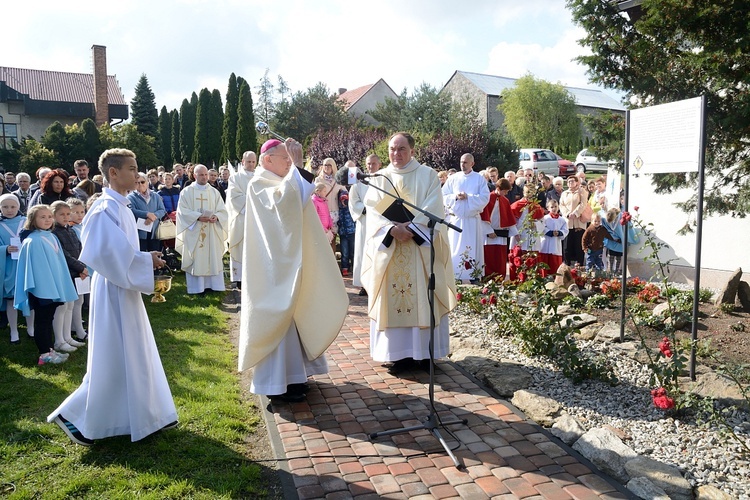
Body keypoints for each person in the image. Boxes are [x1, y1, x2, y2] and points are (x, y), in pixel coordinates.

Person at [48, 147, 177, 446]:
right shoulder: (105, 207)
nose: (136, 173)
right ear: (114, 173)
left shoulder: (120, 206)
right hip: (114, 289)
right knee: (114, 356)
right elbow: (105, 254)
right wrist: (144, 262)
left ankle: (142, 417)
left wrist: (147, 256)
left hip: (125, 287)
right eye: (131, 168)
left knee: (132, 354)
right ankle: (75, 415)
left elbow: (124, 250)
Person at [239, 138, 348, 403]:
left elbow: (297, 204)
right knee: (279, 317)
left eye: (290, 158)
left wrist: (295, 170)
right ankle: (277, 383)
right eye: (284, 158)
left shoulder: (280, 180)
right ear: (268, 160)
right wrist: (298, 166)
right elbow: (285, 207)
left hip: (291, 262)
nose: (288, 161)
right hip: (273, 270)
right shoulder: (259, 184)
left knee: (297, 313)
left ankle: (296, 377)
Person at [361, 132, 457, 375]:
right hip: (391, 250)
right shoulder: (380, 177)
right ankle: (398, 355)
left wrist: (412, 230)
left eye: (401, 149)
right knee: (392, 298)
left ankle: (425, 355)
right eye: (392, 149)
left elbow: (434, 206)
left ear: (412, 151)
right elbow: (372, 209)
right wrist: (391, 229)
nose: (396, 154)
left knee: (423, 296)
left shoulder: (427, 175)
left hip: (419, 250)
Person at [14, 205, 78, 365]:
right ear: (33, 220)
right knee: (42, 322)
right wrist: (44, 288)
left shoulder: (51, 236)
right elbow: (36, 268)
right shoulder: (32, 241)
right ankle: (44, 354)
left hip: (53, 288)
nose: (47, 220)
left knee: (48, 319)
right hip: (42, 290)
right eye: (42, 217)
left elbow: (59, 263)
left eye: (49, 216)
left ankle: (50, 349)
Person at [175, 164, 228, 294]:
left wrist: (216, 216)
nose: (204, 177)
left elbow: (223, 210)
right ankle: (197, 288)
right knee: (197, 258)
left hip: (211, 230)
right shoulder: (186, 192)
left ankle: (213, 286)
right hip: (194, 231)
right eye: (201, 175)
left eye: (206, 174)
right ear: (194, 175)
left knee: (212, 256)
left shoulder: (214, 192)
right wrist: (198, 217)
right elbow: (182, 212)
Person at [442, 153, 490, 281]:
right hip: (457, 220)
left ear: (472, 164)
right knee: (455, 249)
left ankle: (474, 277)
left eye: (465, 162)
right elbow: (443, 195)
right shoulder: (453, 178)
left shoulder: (479, 179)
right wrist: (455, 197)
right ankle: (455, 276)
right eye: (461, 162)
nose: (462, 165)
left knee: (473, 249)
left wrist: (468, 197)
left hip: (472, 221)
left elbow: (485, 198)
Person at [49, 201, 87, 353]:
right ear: (54, 216)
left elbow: (79, 249)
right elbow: (65, 255)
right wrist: (80, 267)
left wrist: (82, 267)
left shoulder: (69, 230)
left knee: (73, 304)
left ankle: (68, 336)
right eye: (61, 214)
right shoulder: (54, 233)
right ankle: (59, 340)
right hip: (66, 273)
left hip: (77, 271)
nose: (66, 217)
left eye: (67, 214)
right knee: (63, 306)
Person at [0, 194, 33, 343]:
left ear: (18, 207)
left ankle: (31, 327)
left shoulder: (26, 222)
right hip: (9, 267)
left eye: (13, 206)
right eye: (5, 207)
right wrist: (5, 249)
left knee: (30, 297)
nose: (9, 210)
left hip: (26, 265)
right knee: (11, 300)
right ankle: (14, 330)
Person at [349, 154, 380, 295]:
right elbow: (353, 201)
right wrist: (366, 208)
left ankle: (378, 282)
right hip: (365, 221)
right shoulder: (358, 182)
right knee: (363, 251)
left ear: (379, 164)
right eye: (368, 163)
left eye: (373, 163)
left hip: (380, 222)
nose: (370, 166)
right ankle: (364, 284)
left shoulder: (383, 180)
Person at [226, 151, 257, 289]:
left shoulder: (260, 177)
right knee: (240, 248)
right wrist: (253, 200)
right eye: (248, 161)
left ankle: (256, 277)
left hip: (257, 220)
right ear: (243, 162)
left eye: (253, 161)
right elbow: (234, 198)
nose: (251, 164)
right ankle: (239, 279)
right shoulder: (235, 178)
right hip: (241, 218)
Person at [480, 178, 517, 281]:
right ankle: (488, 277)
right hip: (489, 232)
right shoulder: (488, 198)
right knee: (489, 256)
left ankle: (500, 277)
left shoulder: (505, 200)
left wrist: (515, 233)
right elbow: (483, 217)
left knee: (500, 257)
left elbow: (509, 218)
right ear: (498, 188)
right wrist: (489, 231)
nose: (506, 193)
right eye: (505, 191)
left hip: (501, 233)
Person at [509, 184, 545, 282]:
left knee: (532, 259)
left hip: (532, 236)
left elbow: (542, 222)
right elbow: (511, 222)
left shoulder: (537, 206)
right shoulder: (516, 205)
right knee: (519, 258)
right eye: (527, 192)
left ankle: (533, 280)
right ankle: (517, 280)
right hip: (520, 236)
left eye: (531, 192)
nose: (529, 194)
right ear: (523, 192)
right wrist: (515, 233)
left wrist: (536, 224)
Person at [128, 173, 167, 253]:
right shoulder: (131, 197)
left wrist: (153, 217)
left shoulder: (155, 196)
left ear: (147, 182)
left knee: (156, 256)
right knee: (142, 256)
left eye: (142, 182)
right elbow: (131, 210)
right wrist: (146, 214)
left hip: (154, 232)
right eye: (137, 182)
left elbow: (162, 210)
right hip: (140, 234)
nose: (140, 184)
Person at [315, 158, 345, 254]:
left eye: (329, 165)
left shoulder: (337, 180)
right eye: (325, 165)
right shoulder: (318, 179)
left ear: (333, 167)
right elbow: (314, 194)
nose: (327, 167)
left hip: (335, 212)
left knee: (333, 238)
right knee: (323, 238)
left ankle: (333, 263)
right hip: (322, 212)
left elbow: (345, 191)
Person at [559, 176, 588, 266]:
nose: (570, 183)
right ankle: (566, 265)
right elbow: (561, 205)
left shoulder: (581, 191)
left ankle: (580, 264)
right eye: (568, 181)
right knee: (567, 245)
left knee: (578, 245)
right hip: (568, 222)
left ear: (577, 182)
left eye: (572, 181)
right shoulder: (564, 193)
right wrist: (567, 214)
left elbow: (583, 204)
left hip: (578, 222)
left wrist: (575, 213)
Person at [538, 199, 569, 277]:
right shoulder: (545, 218)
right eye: (552, 207)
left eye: (556, 206)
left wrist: (559, 233)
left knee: (555, 264)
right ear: (548, 208)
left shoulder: (562, 220)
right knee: (544, 263)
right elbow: (541, 227)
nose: (554, 208)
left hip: (556, 244)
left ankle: (555, 279)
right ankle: (544, 277)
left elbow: (565, 230)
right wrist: (550, 232)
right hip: (545, 243)